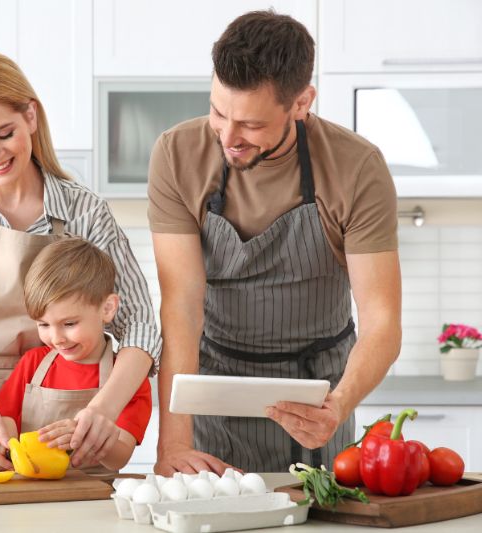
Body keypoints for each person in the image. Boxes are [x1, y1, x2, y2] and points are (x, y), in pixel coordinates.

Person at [148, 10, 401, 474]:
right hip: (215, 389)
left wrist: (337, 405)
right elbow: (181, 305)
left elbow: (382, 319)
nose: (228, 136)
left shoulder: (356, 168)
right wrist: (173, 444)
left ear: (302, 102)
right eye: (218, 112)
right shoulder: (176, 154)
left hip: (317, 391)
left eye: (251, 125)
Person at [0, 52, 161, 475]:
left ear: (31, 117)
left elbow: (140, 326)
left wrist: (102, 409)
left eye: (5, 133)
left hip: (60, 410)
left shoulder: (83, 211)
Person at [0, 237, 152, 472]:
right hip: (30, 491)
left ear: (107, 309)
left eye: (68, 323)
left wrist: (90, 438)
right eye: (43, 325)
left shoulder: (128, 379)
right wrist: (4, 444)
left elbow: (120, 458)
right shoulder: (33, 363)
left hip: (94, 497)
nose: (56, 338)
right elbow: (6, 417)